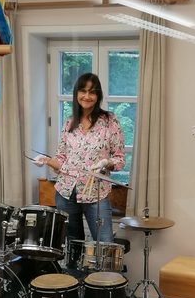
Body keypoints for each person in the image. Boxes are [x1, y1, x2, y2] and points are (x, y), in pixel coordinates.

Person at [34, 72, 126, 244]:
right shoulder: (70, 122)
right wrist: (45, 160)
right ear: (76, 93)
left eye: (92, 92)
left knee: (105, 243)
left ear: (98, 96)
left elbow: (120, 159)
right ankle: (73, 273)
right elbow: (61, 158)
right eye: (83, 91)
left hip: (96, 194)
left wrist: (107, 163)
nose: (87, 96)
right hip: (66, 192)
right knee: (72, 247)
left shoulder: (110, 121)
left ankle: (103, 273)